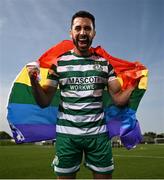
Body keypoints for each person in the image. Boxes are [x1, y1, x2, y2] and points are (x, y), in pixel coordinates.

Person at [27, 11, 137, 179]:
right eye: (78, 28)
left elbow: (118, 99)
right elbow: (44, 101)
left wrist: (135, 84)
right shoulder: (59, 64)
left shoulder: (105, 65)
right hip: (67, 136)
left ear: (93, 33)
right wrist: (33, 80)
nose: (83, 32)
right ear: (71, 32)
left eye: (87, 28)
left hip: (98, 135)